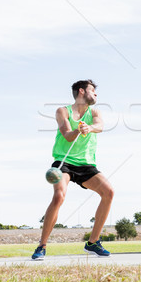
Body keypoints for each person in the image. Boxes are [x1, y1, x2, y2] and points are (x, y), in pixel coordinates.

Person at [32, 80, 114, 260]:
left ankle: (93, 243)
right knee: (59, 196)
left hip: (86, 165)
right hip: (64, 162)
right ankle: (42, 246)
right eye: (93, 90)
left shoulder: (94, 112)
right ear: (82, 91)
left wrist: (89, 127)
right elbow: (68, 136)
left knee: (108, 192)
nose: (96, 94)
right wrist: (78, 130)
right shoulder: (63, 111)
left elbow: (100, 126)